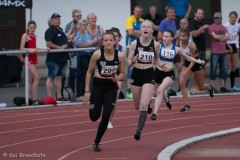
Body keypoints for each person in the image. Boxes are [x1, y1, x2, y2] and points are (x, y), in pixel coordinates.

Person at [83, 31, 126, 152]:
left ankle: (96, 142)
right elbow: (89, 72)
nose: (108, 42)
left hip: (111, 87)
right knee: (94, 116)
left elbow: (123, 73)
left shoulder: (121, 56)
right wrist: (87, 91)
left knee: (107, 114)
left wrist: (118, 77)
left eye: (110, 40)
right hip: (97, 86)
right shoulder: (97, 54)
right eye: (106, 40)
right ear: (102, 42)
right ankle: (94, 106)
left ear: (115, 41)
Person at [150, 29, 205, 119]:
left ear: (172, 38)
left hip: (169, 73)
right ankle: (167, 100)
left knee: (160, 90)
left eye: (167, 37)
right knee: (159, 92)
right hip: (158, 72)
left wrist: (198, 61)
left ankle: (155, 113)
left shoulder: (176, 49)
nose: (164, 38)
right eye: (164, 36)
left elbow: (188, 58)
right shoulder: (158, 46)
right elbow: (155, 56)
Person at [127, 20, 159, 140]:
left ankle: (138, 131)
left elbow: (157, 60)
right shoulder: (134, 44)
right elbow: (129, 64)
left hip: (149, 74)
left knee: (143, 106)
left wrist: (163, 66)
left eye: (148, 27)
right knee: (137, 106)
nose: (145, 29)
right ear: (141, 30)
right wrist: (135, 58)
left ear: (152, 30)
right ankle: (147, 102)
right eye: (143, 27)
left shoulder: (155, 45)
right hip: (137, 74)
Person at [178, 29, 214, 112]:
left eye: (183, 36)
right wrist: (182, 64)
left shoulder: (192, 45)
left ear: (188, 37)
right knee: (181, 82)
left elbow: (193, 61)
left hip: (196, 62)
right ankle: (187, 104)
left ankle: (210, 88)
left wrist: (187, 71)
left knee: (201, 87)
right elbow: (181, 54)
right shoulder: (178, 43)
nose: (181, 38)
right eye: (180, 36)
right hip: (187, 62)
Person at [74, 18, 101, 100]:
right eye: (83, 25)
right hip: (82, 56)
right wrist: (92, 42)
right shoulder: (78, 35)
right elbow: (80, 45)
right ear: (78, 26)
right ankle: (80, 94)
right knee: (82, 75)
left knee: (90, 74)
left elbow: (90, 44)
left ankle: (88, 93)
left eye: (86, 25)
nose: (85, 26)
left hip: (89, 55)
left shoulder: (87, 34)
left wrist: (97, 41)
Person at [44, 13, 69, 101]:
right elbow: (48, 43)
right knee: (51, 77)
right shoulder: (49, 31)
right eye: (55, 19)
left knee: (60, 78)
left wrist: (65, 46)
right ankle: (50, 97)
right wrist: (60, 48)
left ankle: (59, 96)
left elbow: (65, 42)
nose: (57, 21)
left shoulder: (61, 30)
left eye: (58, 19)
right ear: (51, 21)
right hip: (53, 59)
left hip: (63, 58)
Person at [108, 27, 127, 129]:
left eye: (116, 37)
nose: (114, 38)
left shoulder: (122, 49)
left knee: (114, 99)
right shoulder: (105, 47)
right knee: (105, 99)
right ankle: (105, 117)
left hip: (118, 75)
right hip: (106, 75)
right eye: (113, 36)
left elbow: (121, 62)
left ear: (119, 38)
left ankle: (109, 121)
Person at [208, 12, 230, 93]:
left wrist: (219, 38)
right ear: (214, 19)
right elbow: (214, 36)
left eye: (218, 18)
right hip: (215, 52)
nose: (217, 19)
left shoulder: (224, 27)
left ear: (221, 19)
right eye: (215, 18)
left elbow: (228, 36)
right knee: (213, 69)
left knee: (224, 69)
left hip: (223, 52)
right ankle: (212, 87)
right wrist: (223, 37)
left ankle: (222, 86)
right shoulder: (211, 27)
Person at [125, 5, 144, 99]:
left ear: (141, 13)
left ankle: (138, 90)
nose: (137, 13)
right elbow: (130, 33)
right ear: (134, 11)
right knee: (130, 68)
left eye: (139, 11)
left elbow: (145, 34)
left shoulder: (143, 21)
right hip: (130, 46)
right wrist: (140, 33)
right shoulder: (130, 19)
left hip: (140, 47)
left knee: (140, 68)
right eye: (136, 11)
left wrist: (137, 32)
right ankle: (129, 91)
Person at [20, 20, 40, 105]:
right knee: (37, 77)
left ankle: (30, 99)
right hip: (28, 59)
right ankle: (34, 99)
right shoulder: (25, 35)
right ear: (28, 27)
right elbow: (21, 48)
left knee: (31, 79)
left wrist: (43, 49)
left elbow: (34, 47)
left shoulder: (34, 35)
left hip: (34, 57)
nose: (32, 29)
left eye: (34, 27)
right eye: (30, 27)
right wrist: (30, 50)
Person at [224, 11, 240, 91]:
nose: (233, 19)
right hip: (227, 45)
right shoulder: (226, 25)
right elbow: (224, 37)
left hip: (234, 45)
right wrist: (228, 46)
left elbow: (238, 34)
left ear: (236, 18)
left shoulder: (238, 25)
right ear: (229, 17)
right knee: (227, 66)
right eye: (232, 17)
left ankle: (233, 86)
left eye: (234, 17)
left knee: (234, 66)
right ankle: (223, 86)